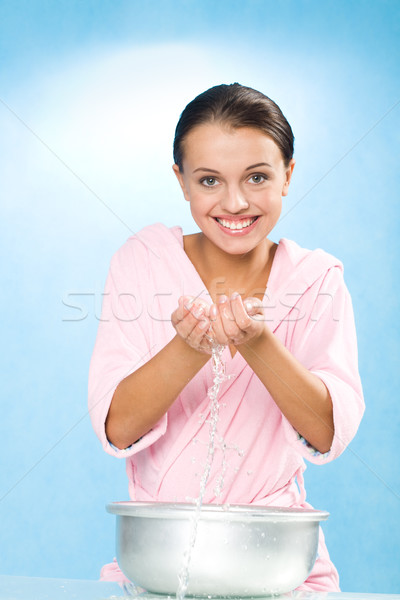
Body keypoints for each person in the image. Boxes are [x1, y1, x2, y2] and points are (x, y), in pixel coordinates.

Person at [88, 83, 364, 590]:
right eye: (209, 180)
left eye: (257, 177)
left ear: (289, 175)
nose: (234, 203)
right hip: (156, 563)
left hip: (280, 568)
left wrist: (259, 345)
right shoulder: (143, 261)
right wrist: (189, 349)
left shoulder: (316, 280)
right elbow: (118, 427)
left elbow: (326, 433)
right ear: (182, 181)